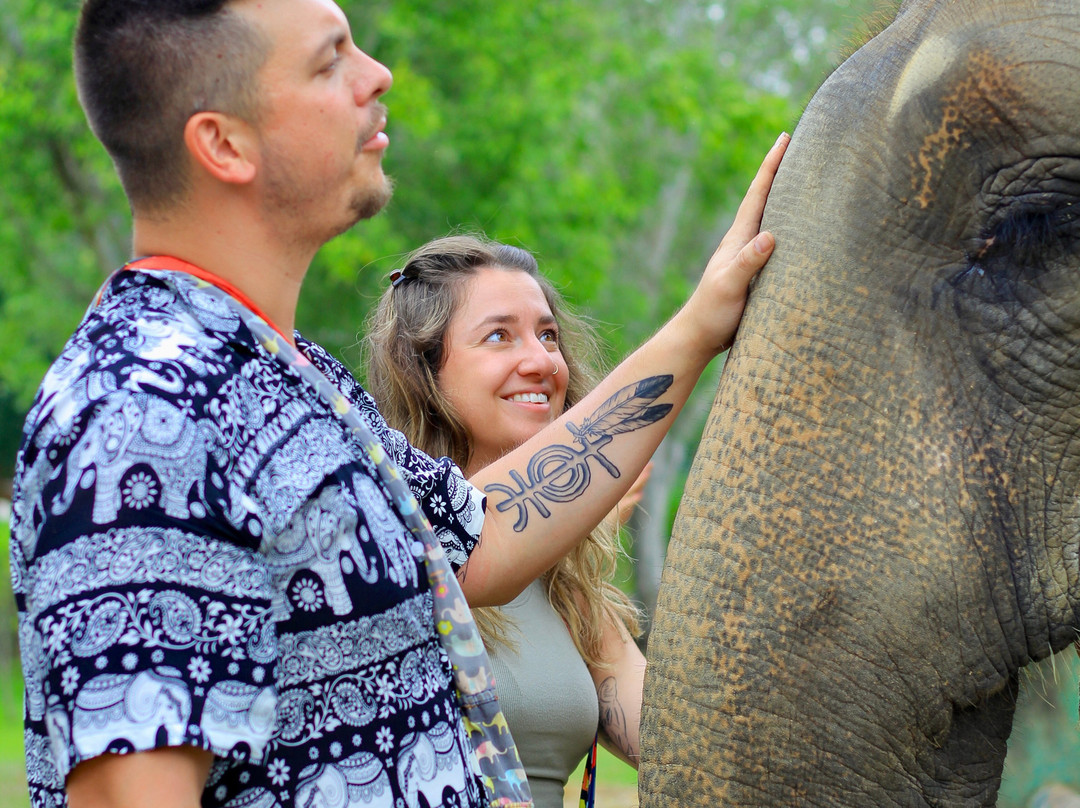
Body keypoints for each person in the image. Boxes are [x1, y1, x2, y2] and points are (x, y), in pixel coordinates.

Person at [7, 0, 789, 806]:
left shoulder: (292, 378)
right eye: (329, 60)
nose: (377, 75)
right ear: (223, 144)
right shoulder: (143, 411)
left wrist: (700, 327)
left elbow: (482, 538)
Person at [365, 234, 649, 805]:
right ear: (423, 370)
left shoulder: (567, 582)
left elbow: (670, 737)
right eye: (499, 336)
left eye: (548, 335)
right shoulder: (385, 537)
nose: (542, 362)